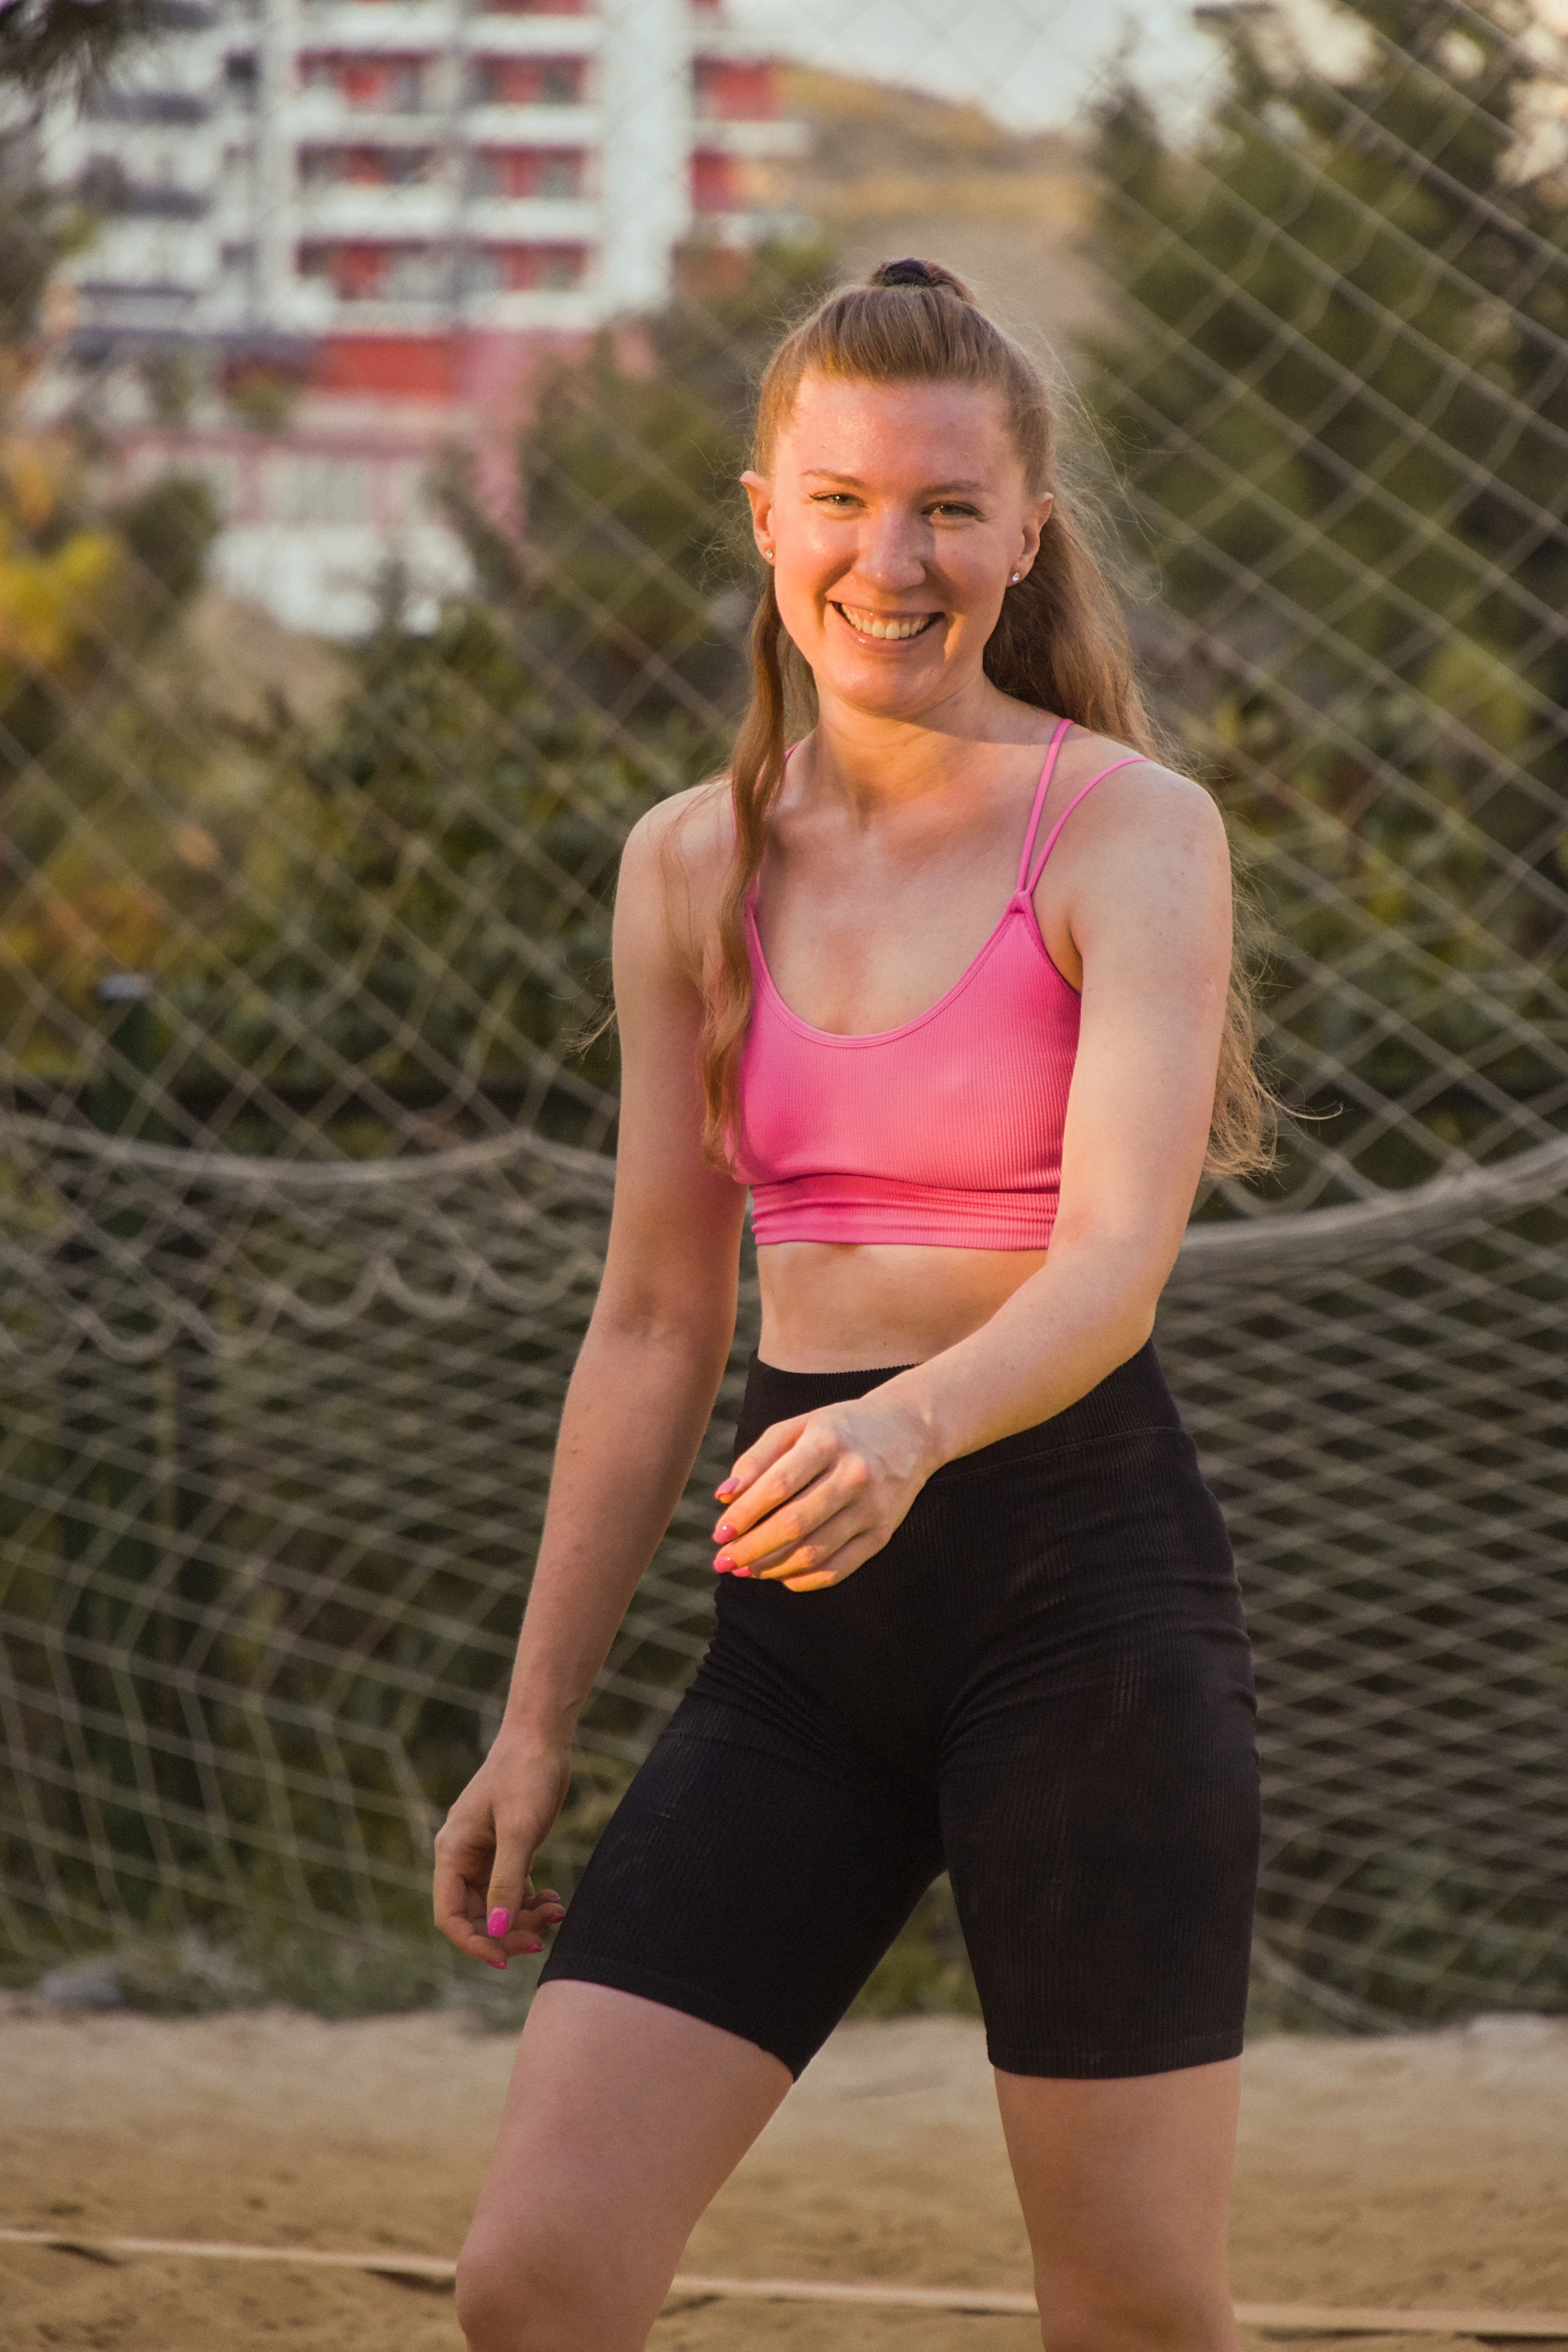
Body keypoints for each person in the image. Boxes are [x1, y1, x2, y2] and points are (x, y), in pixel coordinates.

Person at [435, 257, 1271, 2352]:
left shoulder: (1131, 831)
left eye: (947, 509)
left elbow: (1112, 1268)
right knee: (533, 2285)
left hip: (1082, 1614)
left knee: (1139, 2316)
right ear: (761, 515)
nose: (887, 560)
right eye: (839, 501)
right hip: (796, 1642)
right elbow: (649, 1323)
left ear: (1025, 537)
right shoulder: (685, 868)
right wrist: (536, 1722)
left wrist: (905, 1425)